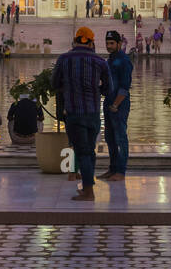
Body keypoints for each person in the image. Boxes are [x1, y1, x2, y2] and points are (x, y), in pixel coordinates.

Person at [51, 26, 110, 201]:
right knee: (89, 151)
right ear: (92, 42)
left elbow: (54, 83)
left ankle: (88, 191)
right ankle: (87, 187)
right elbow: (109, 88)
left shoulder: (64, 59)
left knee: (82, 151)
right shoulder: (100, 61)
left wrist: (69, 88)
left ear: (75, 40)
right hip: (92, 112)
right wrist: (96, 90)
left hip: (74, 113)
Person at [101, 29, 133, 181]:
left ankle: (121, 171)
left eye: (112, 43)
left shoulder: (124, 60)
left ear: (119, 44)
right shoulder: (110, 60)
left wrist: (115, 104)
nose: (109, 46)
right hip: (109, 102)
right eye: (107, 43)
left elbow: (125, 86)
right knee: (109, 137)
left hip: (119, 104)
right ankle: (112, 169)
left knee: (120, 137)